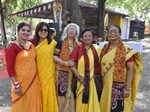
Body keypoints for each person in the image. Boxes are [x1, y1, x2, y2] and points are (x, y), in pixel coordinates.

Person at [100, 24, 143, 112]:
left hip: (119, 87)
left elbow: (131, 70)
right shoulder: (104, 49)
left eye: (115, 32)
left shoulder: (126, 50)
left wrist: (127, 88)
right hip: (106, 85)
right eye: (110, 32)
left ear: (120, 34)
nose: (112, 33)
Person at [6, 22, 42, 112]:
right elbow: (10, 69)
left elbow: (44, 36)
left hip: (34, 82)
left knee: (34, 105)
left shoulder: (31, 44)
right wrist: (16, 86)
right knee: (20, 106)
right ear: (18, 31)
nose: (26, 32)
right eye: (23, 30)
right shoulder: (12, 47)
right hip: (20, 84)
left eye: (28, 31)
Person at [70, 29, 103, 112]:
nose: (87, 38)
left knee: (93, 103)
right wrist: (79, 77)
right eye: (85, 36)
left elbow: (103, 63)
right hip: (81, 81)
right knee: (81, 103)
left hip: (94, 82)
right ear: (82, 38)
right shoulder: (77, 49)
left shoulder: (97, 49)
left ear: (92, 38)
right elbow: (72, 65)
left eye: (89, 36)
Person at [54, 23, 80, 112]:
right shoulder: (61, 42)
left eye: (74, 29)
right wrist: (65, 63)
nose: (72, 30)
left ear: (76, 32)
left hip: (72, 73)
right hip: (61, 71)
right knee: (62, 93)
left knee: (70, 92)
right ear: (67, 31)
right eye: (70, 29)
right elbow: (54, 56)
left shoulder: (78, 45)